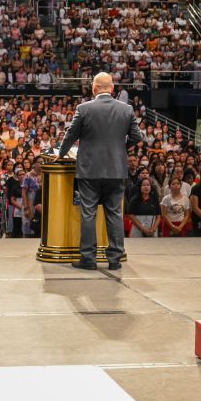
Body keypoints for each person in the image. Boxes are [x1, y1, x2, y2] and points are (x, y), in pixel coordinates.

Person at [57, 72, 142, 269]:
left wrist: (61, 154)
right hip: (116, 169)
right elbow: (137, 138)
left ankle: (88, 259)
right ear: (112, 88)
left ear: (94, 88)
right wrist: (121, 149)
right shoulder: (126, 109)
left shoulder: (84, 108)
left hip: (90, 170)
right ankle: (114, 260)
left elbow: (70, 136)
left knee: (88, 213)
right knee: (114, 213)